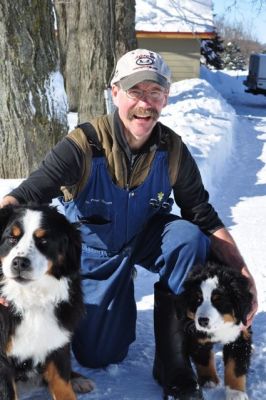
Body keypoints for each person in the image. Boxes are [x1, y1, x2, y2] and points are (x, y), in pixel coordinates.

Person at [0, 49, 257, 400]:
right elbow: (23, 198)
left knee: (188, 237)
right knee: (99, 354)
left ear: (165, 97)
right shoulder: (82, 146)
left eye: (155, 92)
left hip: (146, 239)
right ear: (115, 92)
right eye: (136, 91)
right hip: (96, 256)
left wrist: (241, 271)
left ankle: (174, 364)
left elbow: (203, 214)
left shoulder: (173, 150)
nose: (145, 103)